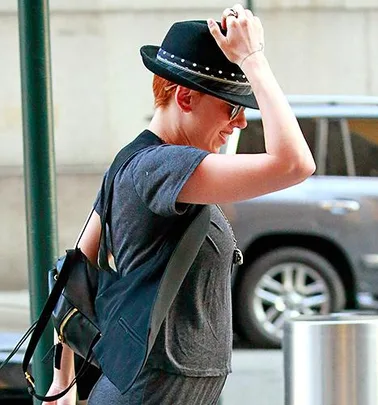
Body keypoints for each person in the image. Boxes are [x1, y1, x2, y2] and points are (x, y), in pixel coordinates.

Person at [43, 4, 315, 405]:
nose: (240, 123)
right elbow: (295, 164)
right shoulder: (161, 166)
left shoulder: (135, 161)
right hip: (151, 393)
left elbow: (76, 268)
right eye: (232, 108)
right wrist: (253, 61)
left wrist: (62, 383)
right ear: (185, 97)